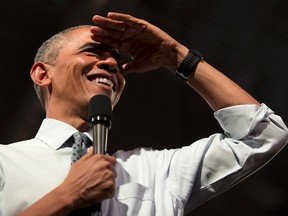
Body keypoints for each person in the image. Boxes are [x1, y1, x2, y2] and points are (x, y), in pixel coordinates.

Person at [0, 12, 287, 216]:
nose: (112, 62)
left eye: (117, 58)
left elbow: (262, 135)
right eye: (94, 51)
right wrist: (68, 196)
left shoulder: (156, 172)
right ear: (42, 74)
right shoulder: (5, 162)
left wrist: (176, 56)